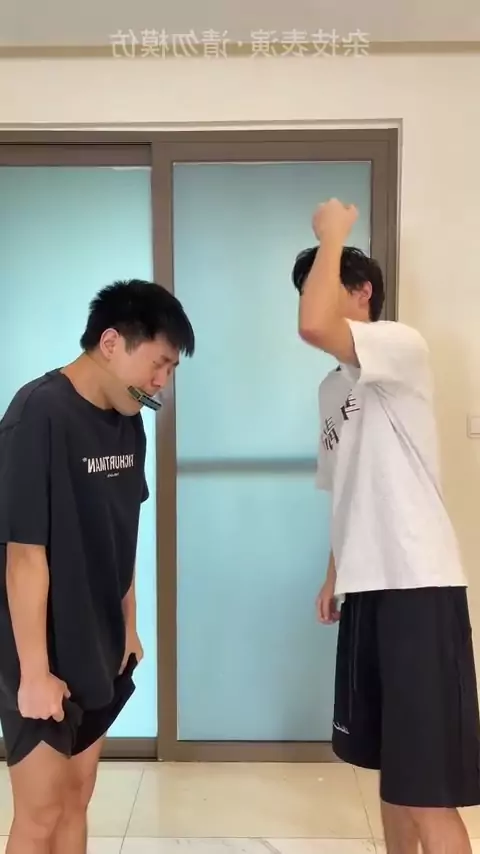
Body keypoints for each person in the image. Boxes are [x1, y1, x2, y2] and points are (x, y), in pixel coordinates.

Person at [292, 198, 480, 854]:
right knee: (392, 774)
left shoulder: (401, 348)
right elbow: (345, 490)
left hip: (418, 584)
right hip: (367, 589)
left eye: (324, 284)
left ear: (363, 291)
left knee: (428, 790)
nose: (313, 301)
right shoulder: (329, 390)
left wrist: (334, 233)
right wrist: (334, 574)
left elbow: (314, 325)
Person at [0, 279, 195, 854]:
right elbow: (23, 556)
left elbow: (121, 531)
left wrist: (127, 625)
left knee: (77, 797)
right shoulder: (37, 414)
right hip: (38, 645)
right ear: (111, 343)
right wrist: (34, 673)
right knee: (40, 812)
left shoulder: (128, 416)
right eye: (158, 364)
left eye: (171, 370)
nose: (161, 382)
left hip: (99, 640)